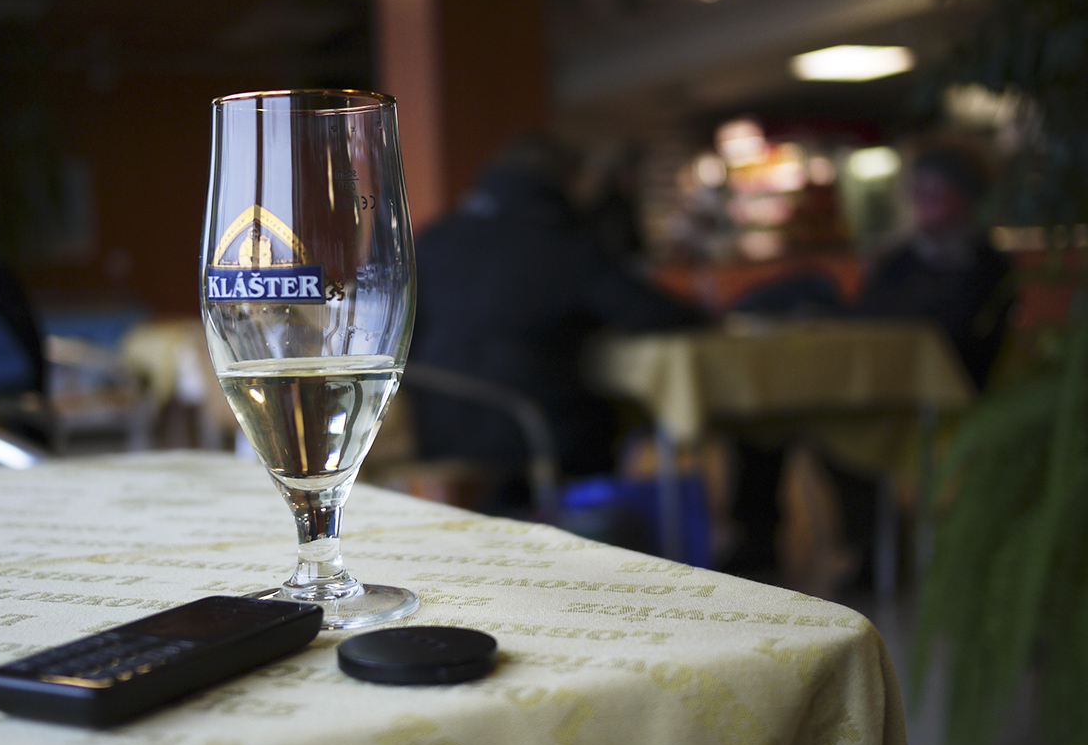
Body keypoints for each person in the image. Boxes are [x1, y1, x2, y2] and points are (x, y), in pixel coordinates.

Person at [725, 139, 1015, 587]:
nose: (922, 199)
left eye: (935, 190)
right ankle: (758, 542)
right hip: (873, 382)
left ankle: (875, 550)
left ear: (967, 197)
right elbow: (867, 316)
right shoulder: (899, 259)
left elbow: (960, 341)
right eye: (918, 189)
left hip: (940, 394)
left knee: (842, 420)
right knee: (766, 410)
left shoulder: (986, 265)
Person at [409, 134, 711, 505]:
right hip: (531, 423)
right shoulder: (562, 243)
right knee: (613, 420)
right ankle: (591, 525)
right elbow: (649, 314)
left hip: (435, 421)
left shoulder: (435, 237)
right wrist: (706, 313)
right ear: (568, 181)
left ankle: (515, 512)